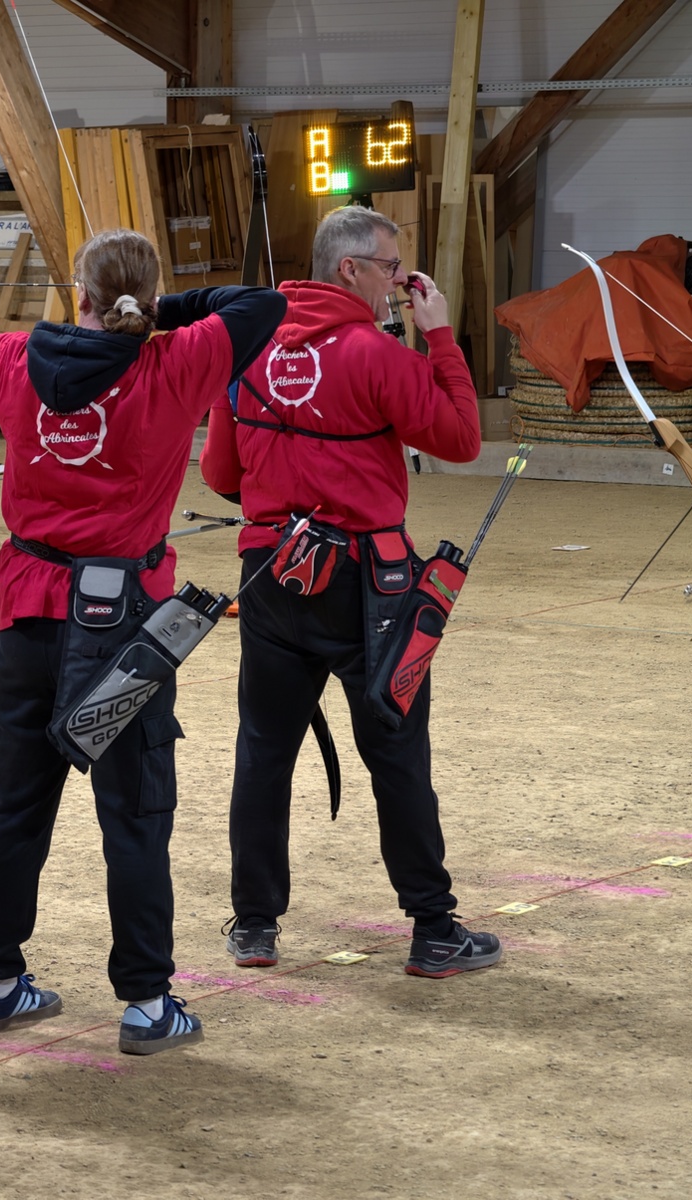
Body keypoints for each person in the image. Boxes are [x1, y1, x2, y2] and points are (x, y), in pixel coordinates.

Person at [0, 227, 287, 1055]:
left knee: (15, 805)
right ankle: (144, 1004)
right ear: (146, 298)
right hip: (123, 629)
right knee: (134, 817)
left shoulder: (13, 359)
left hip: (30, 620)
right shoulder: (173, 361)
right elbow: (261, 303)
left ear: (77, 296)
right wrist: (159, 313)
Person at [199, 204, 499, 978]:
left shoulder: (248, 348)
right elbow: (461, 440)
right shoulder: (377, 353)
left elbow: (220, 473)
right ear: (349, 268)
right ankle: (432, 928)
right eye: (390, 268)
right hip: (369, 585)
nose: (398, 282)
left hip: (272, 573)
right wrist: (439, 337)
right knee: (395, 753)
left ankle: (254, 924)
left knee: (263, 751)